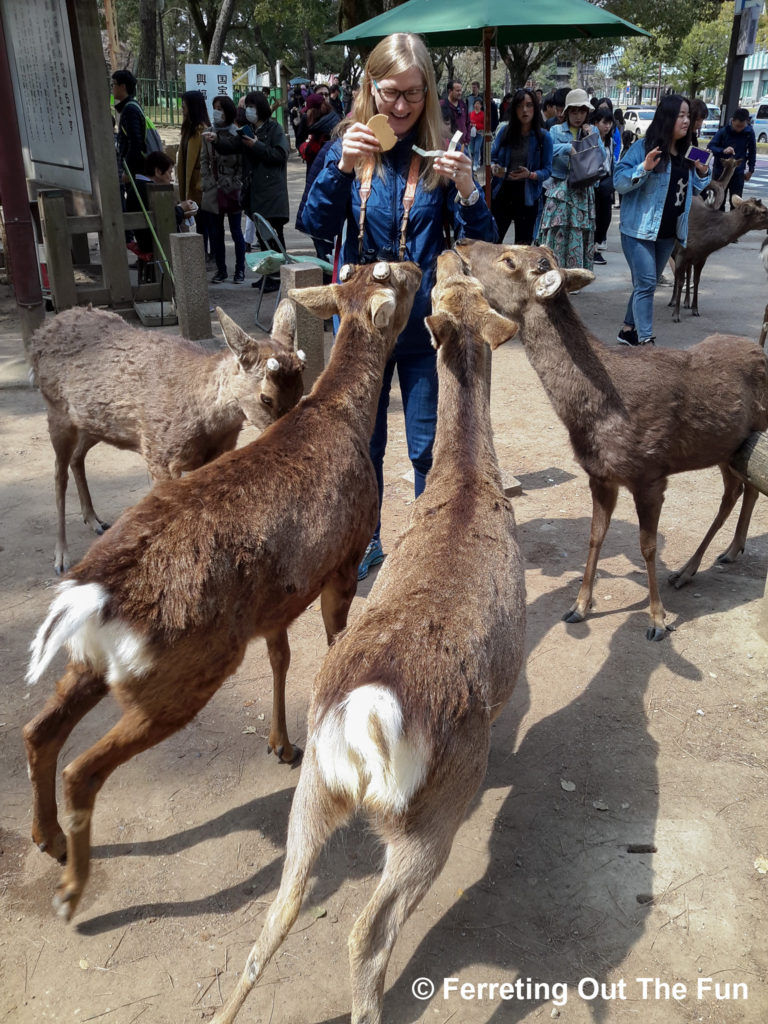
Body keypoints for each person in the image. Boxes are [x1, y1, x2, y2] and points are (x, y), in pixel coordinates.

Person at [302, 32, 498, 580]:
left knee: (426, 443)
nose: (403, 106)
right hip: (362, 324)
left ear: (428, 91)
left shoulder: (440, 151)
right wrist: (339, 170)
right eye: (392, 93)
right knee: (363, 440)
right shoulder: (352, 143)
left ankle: (428, 545)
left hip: (418, 324)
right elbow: (315, 227)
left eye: (414, 93)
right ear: (371, 86)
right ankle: (366, 541)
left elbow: (479, 243)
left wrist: (468, 191)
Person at [614, 94, 711, 347]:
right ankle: (645, 340)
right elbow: (619, 181)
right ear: (667, 117)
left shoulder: (689, 152)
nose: (687, 120)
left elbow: (696, 187)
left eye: (688, 115)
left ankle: (627, 329)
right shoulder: (645, 147)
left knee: (644, 284)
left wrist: (704, 171)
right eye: (681, 115)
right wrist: (643, 168)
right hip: (639, 230)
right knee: (646, 283)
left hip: (668, 232)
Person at [217, 91, 290, 292]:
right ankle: (268, 275)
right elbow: (230, 146)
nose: (248, 110)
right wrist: (215, 139)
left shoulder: (274, 129)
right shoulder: (247, 130)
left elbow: (279, 155)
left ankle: (277, 277)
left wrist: (256, 145)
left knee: (274, 237)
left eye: (252, 106)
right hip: (254, 193)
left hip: (272, 194)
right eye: (246, 106)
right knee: (261, 237)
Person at [538, 88, 605, 270]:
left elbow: (602, 157)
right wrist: (567, 148)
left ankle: (575, 275)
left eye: (582, 111)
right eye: (574, 111)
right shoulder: (555, 130)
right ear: (566, 112)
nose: (578, 116)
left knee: (579, 234)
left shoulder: (592, 132)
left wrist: (592, 136)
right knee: (557, 231)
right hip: (560, 188)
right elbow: (546, 153)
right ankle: (554, 271)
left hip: (584, 190)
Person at [490, 88, 553, 244]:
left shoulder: (544, 137)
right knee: (492, 243)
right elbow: (492, 158)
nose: (525, 110)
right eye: (520, 106)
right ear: (514, 109)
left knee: (523, 248)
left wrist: (530, 174)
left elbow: (547, 170)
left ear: (535, 108)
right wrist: (494, 168)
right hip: (502, 191)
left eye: (529, 105)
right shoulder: (505, 131)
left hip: (528, 196)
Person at [201, 95, 246, 284]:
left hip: (232, 188)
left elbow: (242, 165)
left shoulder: (237, 134)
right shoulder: (208, 133)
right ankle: (221, 270)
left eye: (220, 108)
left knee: (236, 231)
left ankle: (240, 269)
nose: (216, 112)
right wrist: (207, 180)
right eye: (214, 107)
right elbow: (203, 159)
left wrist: (235, 182)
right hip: (213, 188)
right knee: (215, 232)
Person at [178, 90, 211, 260]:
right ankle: (202, 254)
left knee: (204, 223)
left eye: (184, 104)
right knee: (199, 223)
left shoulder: (202, 131)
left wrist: (199, 183)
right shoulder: (188, 130)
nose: (182, 108)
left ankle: (205, 255)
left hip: (201, 187)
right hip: (191, 185)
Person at [708, 107, 756, 209]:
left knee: (736, 202)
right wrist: (723, 150)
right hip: (721, 172)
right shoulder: (723, 131)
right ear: (732, 121)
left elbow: (752, 152)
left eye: (742, 126)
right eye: (737, 126)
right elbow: (711, 147)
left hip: (738, 172)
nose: (739, 129)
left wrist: (751, 170)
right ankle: (719, 224)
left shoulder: (749, 133)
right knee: (718, 201)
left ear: (747, 122)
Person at [590, 107, 615, 265]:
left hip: (606, 181)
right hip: (592, 181)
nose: (607, 126)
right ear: (596, 123)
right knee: (593, 217)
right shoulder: (590, 139)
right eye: (604, 123)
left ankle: (597, 245)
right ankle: (592, 250)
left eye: (610, 123)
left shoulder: (611, 141)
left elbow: (611, 161)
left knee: (605, 217)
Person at [440, 79, 470, 145]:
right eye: (457, 91)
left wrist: (467, 139)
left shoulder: (463, 105)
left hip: (463, 144)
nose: (460, 93)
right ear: (450, 91)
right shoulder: (442, 105)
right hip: (448, 144)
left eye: (460, 90)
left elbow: (468, 123)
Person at [469, 99, 485, 171]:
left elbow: (484, 125)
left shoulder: (483, 114)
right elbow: (468, 122)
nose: (477, 105)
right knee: (471, 149)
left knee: (476, 149)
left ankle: (475, 164)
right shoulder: (471, 114)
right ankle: (475, 162)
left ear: (481, 106)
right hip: (472, 133)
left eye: (478, 104)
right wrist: (471, 125)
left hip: (480, 133)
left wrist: (476, 125)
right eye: (475, 103)